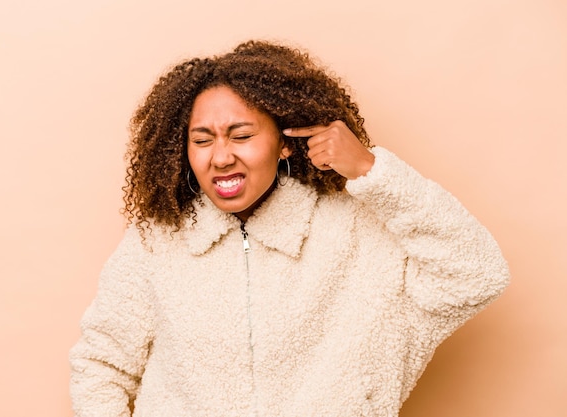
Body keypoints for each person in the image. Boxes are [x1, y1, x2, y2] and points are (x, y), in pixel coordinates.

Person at [69, 40, 510, 417]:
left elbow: (476, 273)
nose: (220, 157)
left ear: (284, 142)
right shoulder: (157, 241)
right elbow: (101, 364)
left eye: (241, 135)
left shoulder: (357, 229)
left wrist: (371, 172)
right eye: (202, 140)